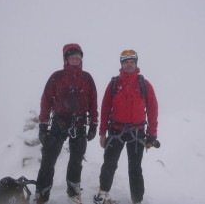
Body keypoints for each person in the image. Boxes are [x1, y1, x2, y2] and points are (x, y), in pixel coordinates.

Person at [93, 50, 158, 204]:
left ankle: (137, 200)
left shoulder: (144, 84)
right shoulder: (115, 83)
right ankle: (102, 194)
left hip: (138, 132)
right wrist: (102, 133)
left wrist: (152, 134)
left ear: (136, 64)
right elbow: (105, 108)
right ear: (121, 64)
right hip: (116, 130)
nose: (129, 64)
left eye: (132, 62)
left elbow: (153, 109)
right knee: (109, 164)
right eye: (126, 62)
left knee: (135, 168)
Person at [36, 43, 98, 204]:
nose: (75, 59)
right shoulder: (56, 76)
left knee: (76, 162)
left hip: (79, 125)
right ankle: (42, 194)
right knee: (48, 160)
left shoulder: (87, 78)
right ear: (66, 59)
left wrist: (93, 124)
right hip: (59, 124)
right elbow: (46, 101)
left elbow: (93, 103)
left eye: (78, 57)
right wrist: (43, 126)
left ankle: (73, 192)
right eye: (72, 57)